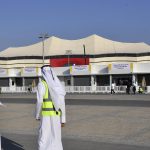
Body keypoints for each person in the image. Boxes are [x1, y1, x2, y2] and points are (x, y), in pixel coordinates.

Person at [36, 65, 66, 150]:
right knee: (56, 138)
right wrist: (63, 119)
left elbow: (39, 101)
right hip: (56, 116)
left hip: (45, 116)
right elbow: (62, 103)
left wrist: (37, 114)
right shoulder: (58, 85)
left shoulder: (42, 84)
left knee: (44, 138)